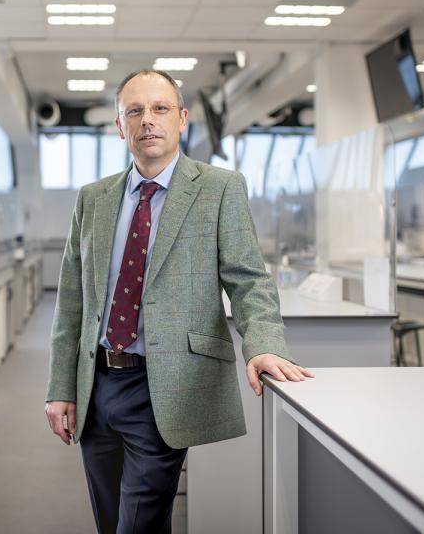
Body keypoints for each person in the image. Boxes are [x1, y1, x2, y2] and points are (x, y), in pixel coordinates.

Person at [45, 69, 313, 533]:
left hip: (165, 386)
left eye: (160, 109)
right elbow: (72, 300)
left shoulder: (218, 188)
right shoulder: (93, 199)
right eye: (135, 111)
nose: (147, 120)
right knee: (111, 521)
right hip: (97, 386)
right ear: (119, 125)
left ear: (182, 118)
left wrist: (264, 343)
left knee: (140, 523)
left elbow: (249, 280)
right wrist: (60, 387)